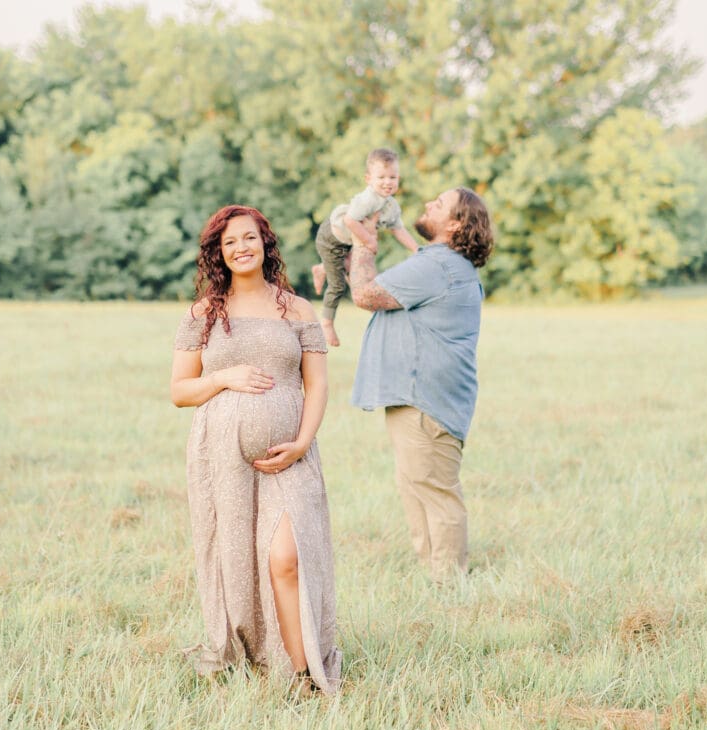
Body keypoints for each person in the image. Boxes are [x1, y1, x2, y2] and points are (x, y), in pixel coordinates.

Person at [170, 205, 341, 696]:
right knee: (237, 557)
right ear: (218, 254)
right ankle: (259, 657)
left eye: (249, 238)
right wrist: (225, 377)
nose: (241, 247)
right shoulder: (203, 313)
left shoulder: (296, 309)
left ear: (265, 243)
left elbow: (318, 384)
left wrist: (303, 443)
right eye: (229, 243)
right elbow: (180, 390)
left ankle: (306, 673)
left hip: (289, 452)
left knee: (286, 557)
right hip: (220, 455)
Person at [347, 187, 494, 581]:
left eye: (439, 204)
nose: (429, 204)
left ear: (457, 224)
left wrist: (363, 242)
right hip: (420, 398)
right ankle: (435, 577)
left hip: (425, 399)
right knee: (418, 487)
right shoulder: (442, 264)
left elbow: (364, 294)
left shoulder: (439, 265)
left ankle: (448, 584)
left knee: (434, 492)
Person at [311, 148, 419, 347]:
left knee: (352, 272)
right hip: (332, 239)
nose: (388, 182)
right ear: (368, 179)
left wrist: (415, 249)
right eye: (381, 177)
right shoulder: (368, 199)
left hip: (348, 241)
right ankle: (326, 323)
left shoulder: (391, 206)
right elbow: (350, 221)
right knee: (338, 285)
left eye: (393, 177)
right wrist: (369, 240)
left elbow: (398, 229)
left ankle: (322, 268)